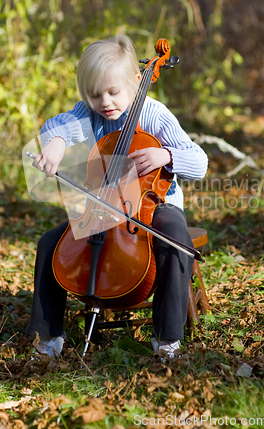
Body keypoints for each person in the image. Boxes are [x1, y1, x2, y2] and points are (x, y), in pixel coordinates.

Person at [26, 34, 208, 358]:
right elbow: (61, 124)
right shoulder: (90, 114)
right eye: (95, 95)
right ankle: (49, 335)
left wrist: (166, 156)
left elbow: (199, 161)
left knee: (175, 238)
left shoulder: (154, 114)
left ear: (136, 82)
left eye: (113, 92)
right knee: (50, 243)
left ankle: (167, 338)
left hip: (155, 206)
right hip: (104, 207)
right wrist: (54, 141)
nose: (105, 102)